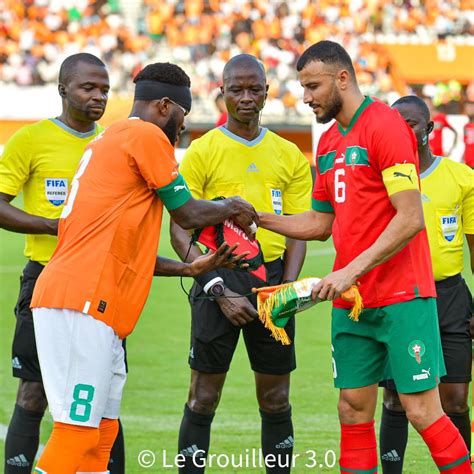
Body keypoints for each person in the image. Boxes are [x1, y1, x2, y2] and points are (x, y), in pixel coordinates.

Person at [28, 61, 257, 473]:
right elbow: (187, 214)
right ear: (165, 106)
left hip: (94, 302)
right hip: (82, 301)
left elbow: (126, 250)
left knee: (102, 429)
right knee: (77, 431)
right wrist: (232, 206)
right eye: (183, 118)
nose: (183, 129)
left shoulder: (111, 138)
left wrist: (190, 270)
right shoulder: (145, 134)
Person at [257, 41, 471, 473]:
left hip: (402, 297)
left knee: (421, 410)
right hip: (352, 304)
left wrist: (349, 270)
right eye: (302, 87)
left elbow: (410, 218)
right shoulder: (329, 142)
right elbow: (320, 223)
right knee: (352, 409)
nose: (306, 97)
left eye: (313, 86)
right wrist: (258, 218)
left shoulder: (386, 126)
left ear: (342, 78)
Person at [170, 54, 312, 473]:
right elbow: (180, 229)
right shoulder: (201, 152)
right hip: (216, 279)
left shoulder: (288, 155)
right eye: (237, 90)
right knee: (203, 396)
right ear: (222, 94)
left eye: (255, 89)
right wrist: (216, 287)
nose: (246, 98)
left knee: (276, 398)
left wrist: (284, 291)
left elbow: (299, 228)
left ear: (268, 92)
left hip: (271, 279)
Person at [0, 53, 125, 474]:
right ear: (62, 89)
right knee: (33, 393)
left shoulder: (113, 143)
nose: (98, 97)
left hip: (102, 285)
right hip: (45, 281)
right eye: (88, 87)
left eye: (105, 89)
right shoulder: (31, 140)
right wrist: (55, 226)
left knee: (106, 394)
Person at [378, 95, 473, 473]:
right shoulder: (380, 178)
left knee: (455, 400)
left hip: (448, 294)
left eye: (412, 123)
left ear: (429, 130)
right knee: (395, 400)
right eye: (396, 123)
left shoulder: (461, 178)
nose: (403, 130)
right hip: (397, 295)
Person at [462, 101, 474, 168]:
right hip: (467, 164)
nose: (468, 109)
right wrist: (462, 158)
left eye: (471, 107)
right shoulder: (466, 126)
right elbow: (467, 145)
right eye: (467, 107)